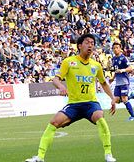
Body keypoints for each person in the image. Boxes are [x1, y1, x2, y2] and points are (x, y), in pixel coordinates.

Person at [25, 34, 117, 162]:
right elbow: (56, 79)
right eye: (87, 42)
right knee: (54, 123)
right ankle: (40, 157)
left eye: (92, 43)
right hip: (74, 105)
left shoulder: (96, 65)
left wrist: (112, 98)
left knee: (100, 118)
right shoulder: (69, 62)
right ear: (79, 46)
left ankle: (108, 154)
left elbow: (103, 83)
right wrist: (61, 87)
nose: (90, 45)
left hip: (91, 103)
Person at [110, 42, 134, 121]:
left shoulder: (123, 58)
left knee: (124, 99)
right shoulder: (113, 59)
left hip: (124, 81)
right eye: (114, 48)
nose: (115, 49)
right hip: (118, 82)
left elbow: (130, 68)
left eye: (117, 48)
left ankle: (133, 116)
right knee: (117, 100)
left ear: (120, 49)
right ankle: (131, 97)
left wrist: (123, 70)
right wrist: (112, 78)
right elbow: (116, 70)